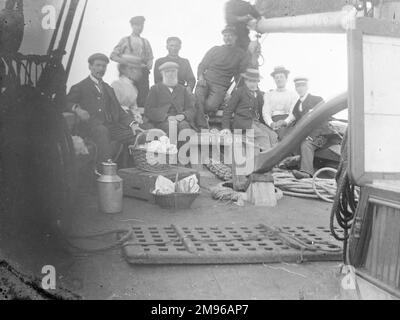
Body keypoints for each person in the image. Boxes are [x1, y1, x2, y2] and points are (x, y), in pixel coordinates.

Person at [67, 53, 140, 169]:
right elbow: (65, 102)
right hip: (91, 126)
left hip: (111, 126)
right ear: (90, 67)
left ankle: (132, 171)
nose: (101, 69)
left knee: (137, 135)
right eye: (98, 65)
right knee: (102, 131)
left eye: (104, 66)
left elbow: (119, 111)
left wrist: (133, 124)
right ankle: (104, 171)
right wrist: (77, 109)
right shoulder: (80, 87)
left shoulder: (108, 88)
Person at [195, 26, 249, 129]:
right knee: (198, 96)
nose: (228, 38)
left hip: (221, 85)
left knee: (211, 107)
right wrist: (201, 77)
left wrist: (233, 92)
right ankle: (202, 126)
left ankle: (203, 116)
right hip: (206, 80)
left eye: (230, 35)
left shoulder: (241, 54)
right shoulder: (215, 49)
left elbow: (241, 75)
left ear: (235, 37)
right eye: (225, 35)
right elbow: (202, 65)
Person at [290, 77, 338, 179]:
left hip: (322, 133)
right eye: (297, 86)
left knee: (306, 144)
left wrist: (312, 136)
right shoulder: (298, 104)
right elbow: (293, 119)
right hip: (309, 134)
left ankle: (306, 173)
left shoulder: (317, 100)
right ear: (295, 88)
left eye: (302, 85)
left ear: (307, 87)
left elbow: (323, 120)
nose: (300, 88)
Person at [221, 68, 273, 151]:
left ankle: (279, 161)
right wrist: (225, 127)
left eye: (255, 81)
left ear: (258, 81)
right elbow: (228, 110)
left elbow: (262, 111)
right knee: (263, 136)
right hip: (243, 123)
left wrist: (270, 124)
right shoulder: (239, 92)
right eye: (250, 81)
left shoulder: (259, 94)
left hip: (255, 122)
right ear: (245, 81)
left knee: (272, 135)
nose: (252, 83)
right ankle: (268, 161)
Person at [110, 16, 153, 110]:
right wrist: (126, 62)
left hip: (142, 74)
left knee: (143, 98)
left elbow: (150, 58)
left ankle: (141, 119)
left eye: (141, 25)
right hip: (128, 73)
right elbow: (113, 56)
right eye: (137, 25)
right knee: (126, 97)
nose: (139, 28)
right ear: (132, 26)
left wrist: (148, 65)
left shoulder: (145, 42)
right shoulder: (125, 40)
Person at [145, 62, 195, 136]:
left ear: (177, 73)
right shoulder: (155, 89)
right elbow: (149, 110)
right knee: (171, 127)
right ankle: (171, 148)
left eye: (173, 71)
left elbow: (191, 109)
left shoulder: (183, 90)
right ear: (162, 74)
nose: (171, 74)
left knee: (185, 127)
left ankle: (184, 148)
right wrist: (166, 117)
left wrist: (184, 115)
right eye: (167, 71)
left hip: (180, 120)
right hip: (162, 122)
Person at [262, 66, 298, 144]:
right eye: (276, 77)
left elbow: (293, 112)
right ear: (274, 80)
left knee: (292, 134)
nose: (279, 79)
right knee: (274, 135)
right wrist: (270, 123)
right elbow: (266, 112)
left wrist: (285, 122)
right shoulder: (269, 94)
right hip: (273, 121)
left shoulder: (292, 94)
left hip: (288, 121)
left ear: (286, 79)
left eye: (281, 77)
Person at [111, 54, 144, 127]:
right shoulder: (116, 85)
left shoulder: (134, 88)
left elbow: (134, 108)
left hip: (131, 121)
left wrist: (138, 119)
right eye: (136, 69)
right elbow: (114, 108)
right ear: (124, 69)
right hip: (120, 122)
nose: (139, 73)